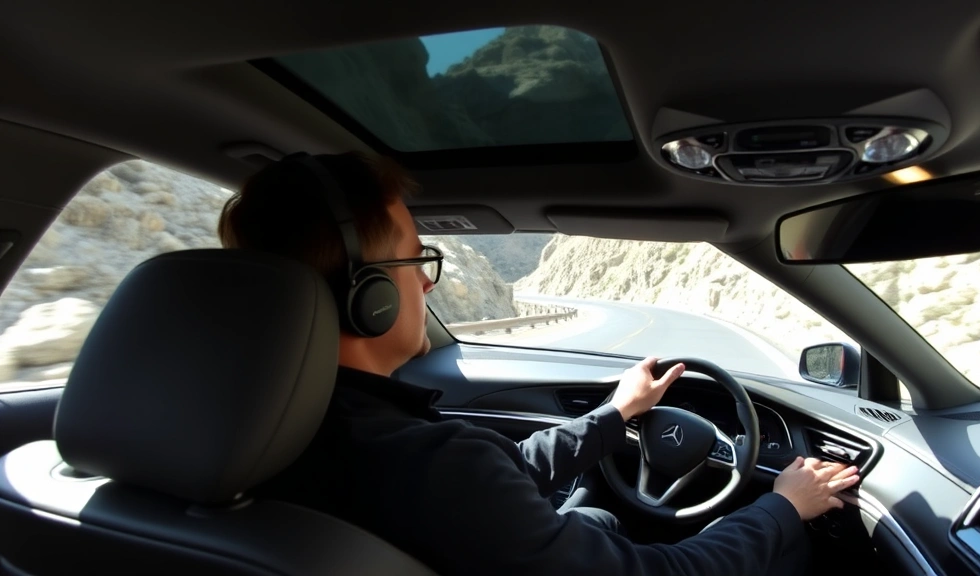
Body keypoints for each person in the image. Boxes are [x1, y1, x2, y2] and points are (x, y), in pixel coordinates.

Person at [219, 152, 861, 576]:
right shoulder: (416, 460)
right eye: (418, 261)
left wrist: (616, 415)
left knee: (595, 518)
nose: (428, 285)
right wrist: (784, 505)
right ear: (370, 297)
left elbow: (499, 477)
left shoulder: (237, 435)